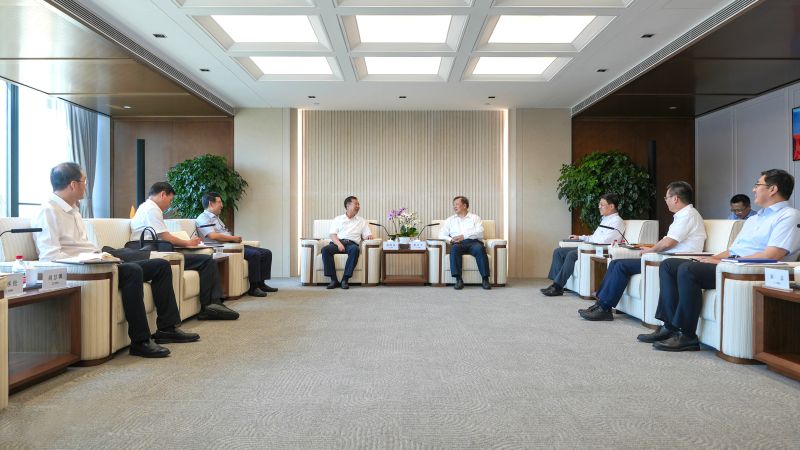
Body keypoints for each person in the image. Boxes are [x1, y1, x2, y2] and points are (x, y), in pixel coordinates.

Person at [32, 163, 199, 358]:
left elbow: (84, 245)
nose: (86, 185)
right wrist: (92, 260)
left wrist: (101, 256)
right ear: (73, 184)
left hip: (96, 261)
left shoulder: (74, 210)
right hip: (85, 269)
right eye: (84, 181)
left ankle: (167, 328)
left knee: (161, 266)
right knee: (133, 270)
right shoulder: (48, 211)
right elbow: (50, 256)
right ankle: (140, 341)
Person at [640, 169, 800, 351]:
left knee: (687, 269)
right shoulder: (755, 219)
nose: (754, 189)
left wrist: (727, 262)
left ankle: (687, 335)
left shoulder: (788, 215)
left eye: (758, 185)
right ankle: (669, 326)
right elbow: (732, 250)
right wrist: (711, 258)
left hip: (747, 270)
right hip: (731, 264)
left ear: (772, 189)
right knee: (669, 265)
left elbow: (772, 255)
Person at [579, 181, 706, 321]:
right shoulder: (683, 215)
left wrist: (651, 250)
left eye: (666, 198)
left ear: (675, 198)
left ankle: (604, 308)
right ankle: (601, 305)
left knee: (621, 266)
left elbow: (668, 242)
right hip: (666, 257)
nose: (666, 201)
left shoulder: (688, 215)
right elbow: (669, 241)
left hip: (675, 260)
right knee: (616, 263)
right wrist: (651, 248)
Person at [131, 182, 238, 320]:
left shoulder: (145, 207)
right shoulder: (152, 209)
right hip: (153, 253)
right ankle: (210, 306)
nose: (169, 204)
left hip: (155, 250)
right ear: (162, 194)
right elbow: (167, 238)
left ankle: (213, 304)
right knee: (206, 261)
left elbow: (163, 237)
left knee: (206, 260)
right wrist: (188, 242)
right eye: (170, 200)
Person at [541, 193, 625, 297]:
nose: (599, 207)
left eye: (602, 205)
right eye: (599, 204)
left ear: (611, 206)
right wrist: (580, 237)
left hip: (599, 249)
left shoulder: (617, 222)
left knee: (571, 254)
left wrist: (587, 243)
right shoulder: (605, 219)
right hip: (590, 245)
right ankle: (556, 284)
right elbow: (594, 237)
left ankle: (557, 287)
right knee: (559, 252)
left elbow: (606, 241)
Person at [196, 192, 277, 298]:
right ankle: (253, 288)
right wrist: (233, 238)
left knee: (266, 253)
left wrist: (233, 240)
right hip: (222, 247)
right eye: (219, 202)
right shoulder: (203, 218)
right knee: (254, 255)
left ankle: (261, 284)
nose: (222, 205)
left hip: (231, 244)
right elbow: (213, 236)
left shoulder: (216, 218)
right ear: (211, 204)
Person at [438, 196, 491, 290]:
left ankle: (485, 279)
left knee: (480, 248)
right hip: (457, 244)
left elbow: (480, 232)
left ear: (465, 205)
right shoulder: (450, 220)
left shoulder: (475, 218)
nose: (454, 206)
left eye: (457, 204)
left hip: (473, 242)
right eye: (454, 205)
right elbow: (441, 234)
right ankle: (458, 280)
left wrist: (464, 236)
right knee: (454, 249)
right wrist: (451, 240)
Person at [321, 196, 373, 289]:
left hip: (352, 244)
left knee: (355, 250)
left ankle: (345, 279)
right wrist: (339, 244)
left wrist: (369, 236)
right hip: (338, 242)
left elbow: (367, 234)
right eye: (356, 204)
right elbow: (333, 235)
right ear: (348, 205)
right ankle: (333, 280)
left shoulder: (362, 221)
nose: (358, 206)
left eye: (358, 204)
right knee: (325, 250)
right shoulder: (338, 219)